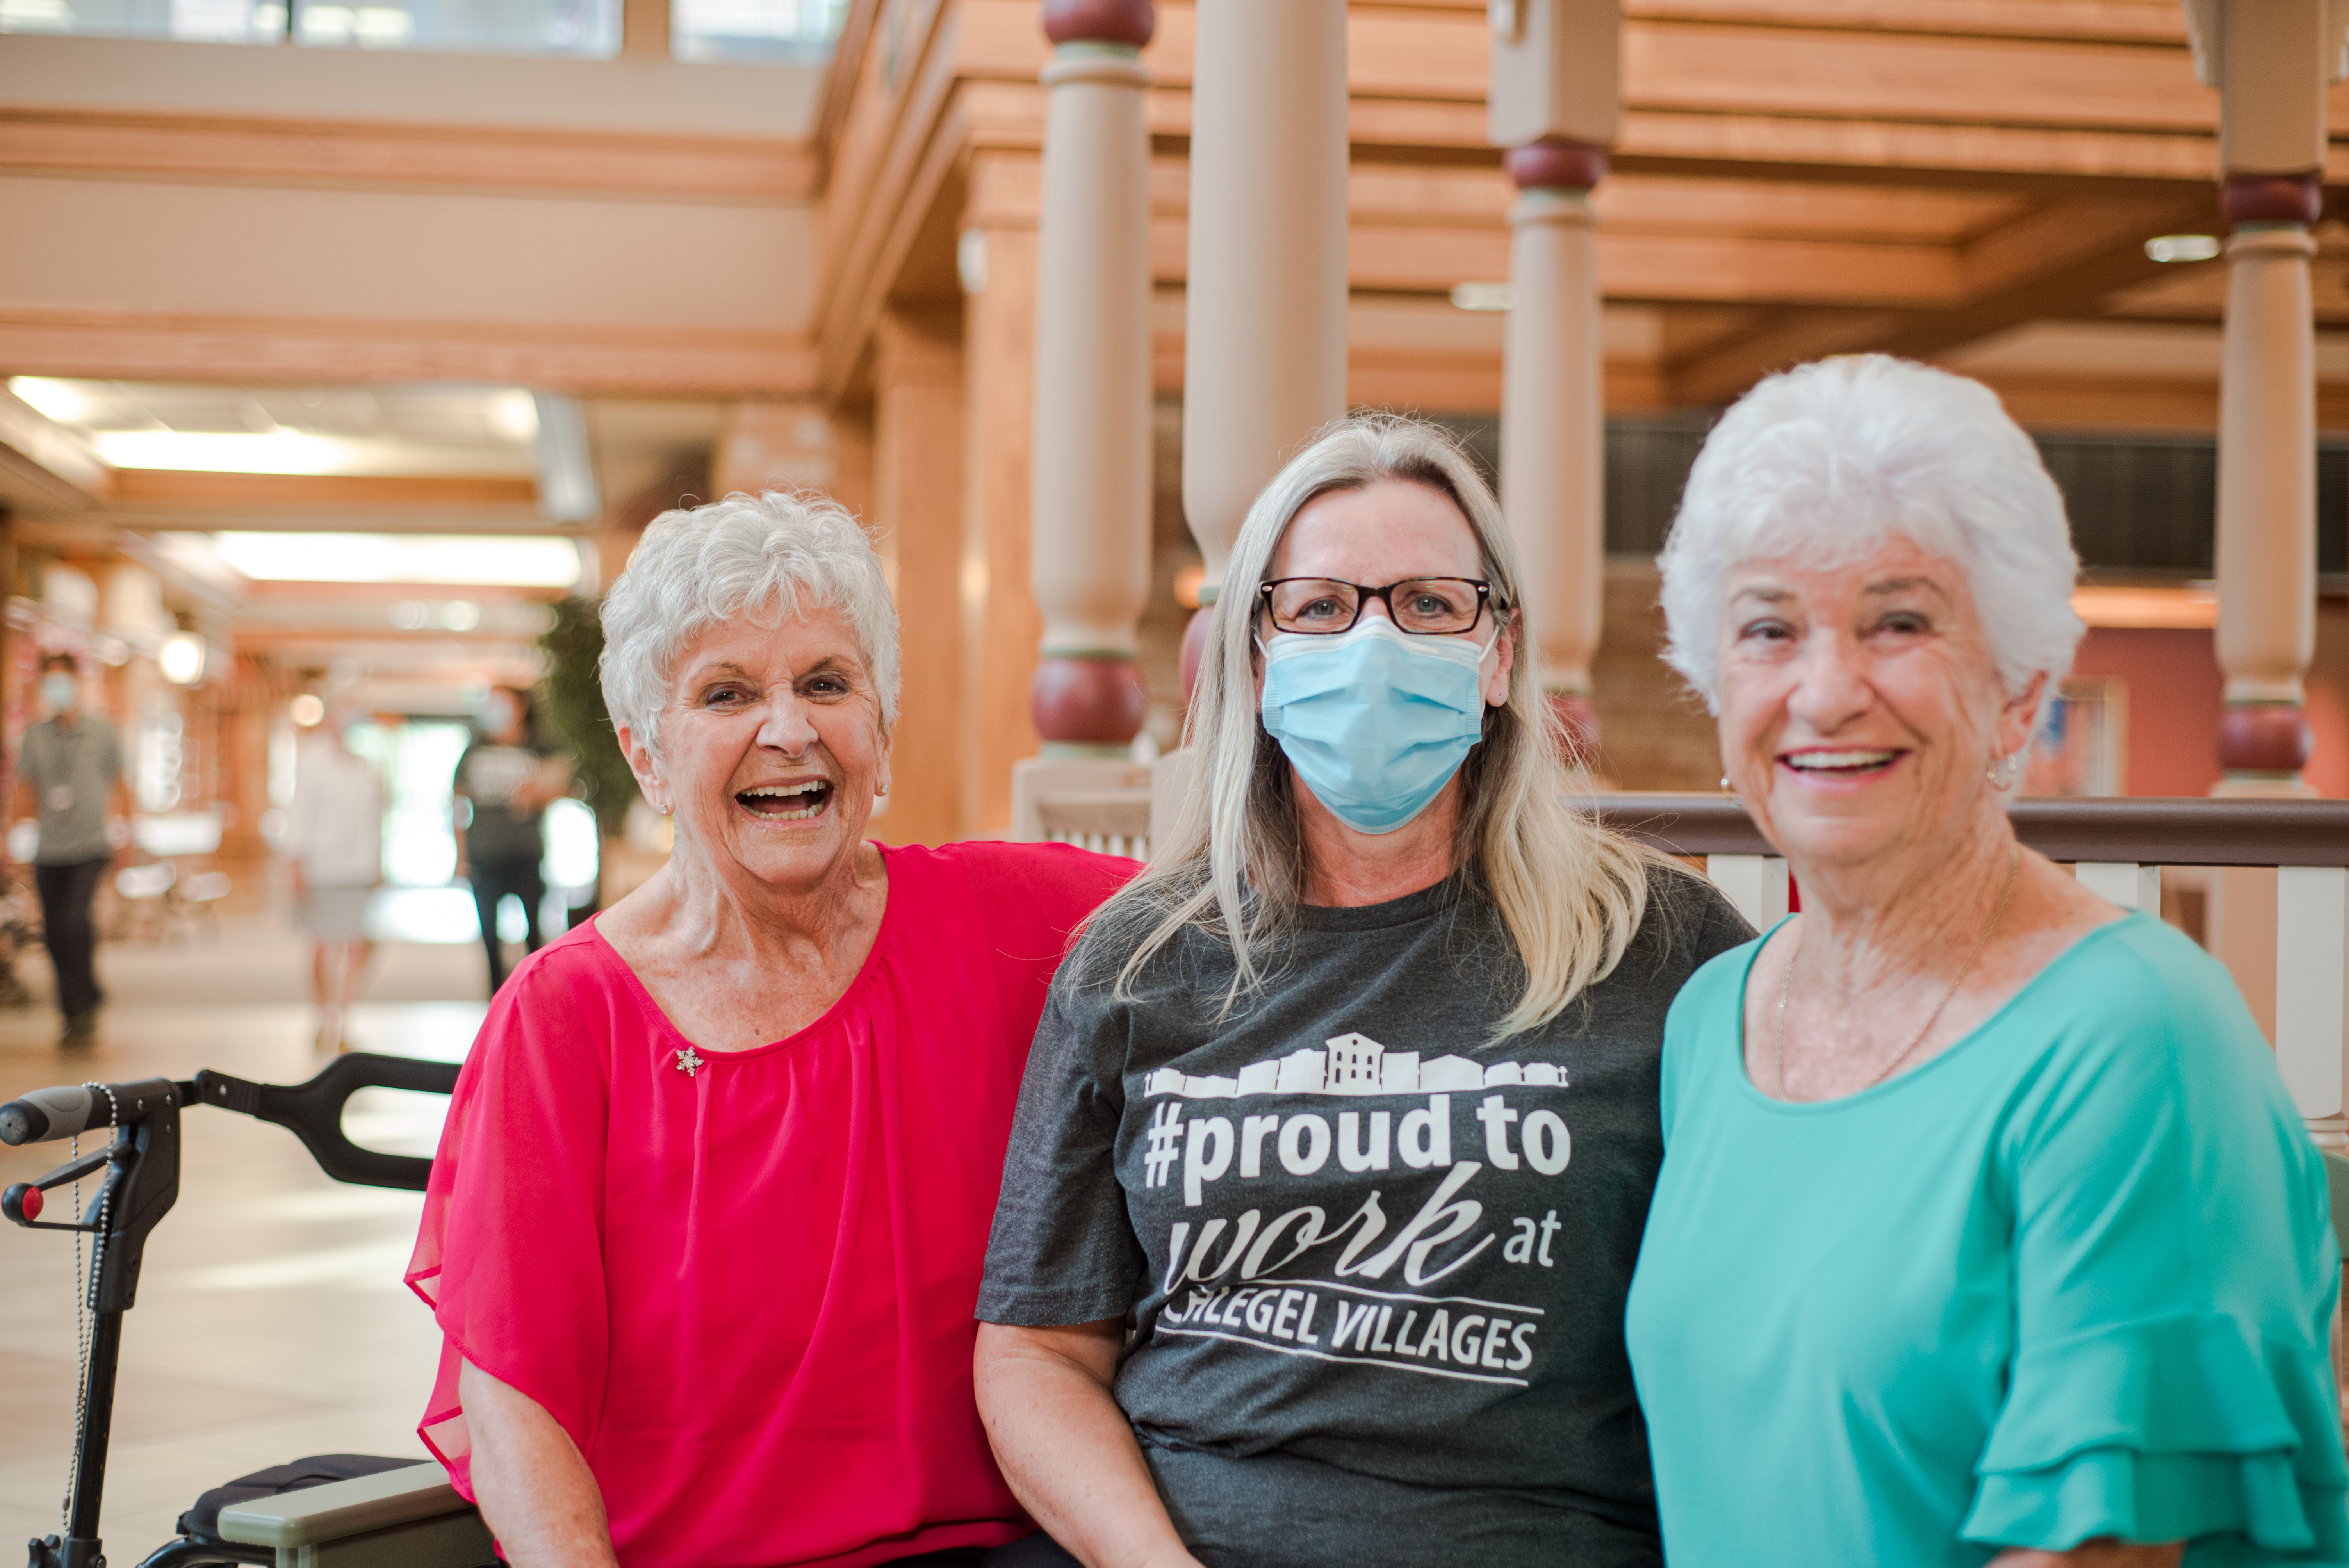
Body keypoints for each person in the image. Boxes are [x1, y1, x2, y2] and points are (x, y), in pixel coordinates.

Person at [973, 414, 1752, 1568]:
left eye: (1429, 605)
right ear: (1253, 655)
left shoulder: (1656, 945)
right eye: (1321, 607)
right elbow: (1037, 1352)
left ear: (1498, 655)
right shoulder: (1136, 961)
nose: (1374, 644)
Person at [1624, 356, 2349, 1567]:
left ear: (2018, 691)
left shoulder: (2137, 1035)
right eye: (1768, 629)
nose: (1824, 689)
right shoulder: (1713, 1018)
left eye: (1898, 622)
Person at [405, 491, 1135, 1568]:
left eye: (828, 684)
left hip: (1014, 1548)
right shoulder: (569, 1016)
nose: (788, 728)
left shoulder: (1022, 918)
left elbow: (1264, 909)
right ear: (647, 756)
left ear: (882, 734)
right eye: (727, 693)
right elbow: (516, 1397)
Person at [12, 652, 128, 1046]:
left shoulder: (104, 733)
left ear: (79, 683)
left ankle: (85, 1000)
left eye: (64, 681)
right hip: (49, 847)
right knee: (53, 930)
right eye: (50, 683)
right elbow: (24, 791)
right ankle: (74, 1002)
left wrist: (130, 835)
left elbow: (122, 785)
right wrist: (13, 840)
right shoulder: (35, 736)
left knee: (76, 921)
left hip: (91, 844)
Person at [282, 702, 384, 1052]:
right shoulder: (312, 762)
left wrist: (377, 864)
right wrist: (295, 863)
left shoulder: (366, 767)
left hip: (357, 869)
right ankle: (323, 1016)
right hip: (321, 868)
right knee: (322, 946)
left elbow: (373, 820)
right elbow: (300, 813)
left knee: (359, 944)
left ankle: (343, 1018)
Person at [454, 686, 567, 995]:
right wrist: (460, 856)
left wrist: (540, 793)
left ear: (520, 706)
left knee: (533, 932)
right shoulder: (476, 748)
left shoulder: (540, 746)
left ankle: (532, 996)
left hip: (526, 852)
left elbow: (564, 784)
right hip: (485, 854)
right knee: (489, 936)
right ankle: (495, 1001)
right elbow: (458, 804)